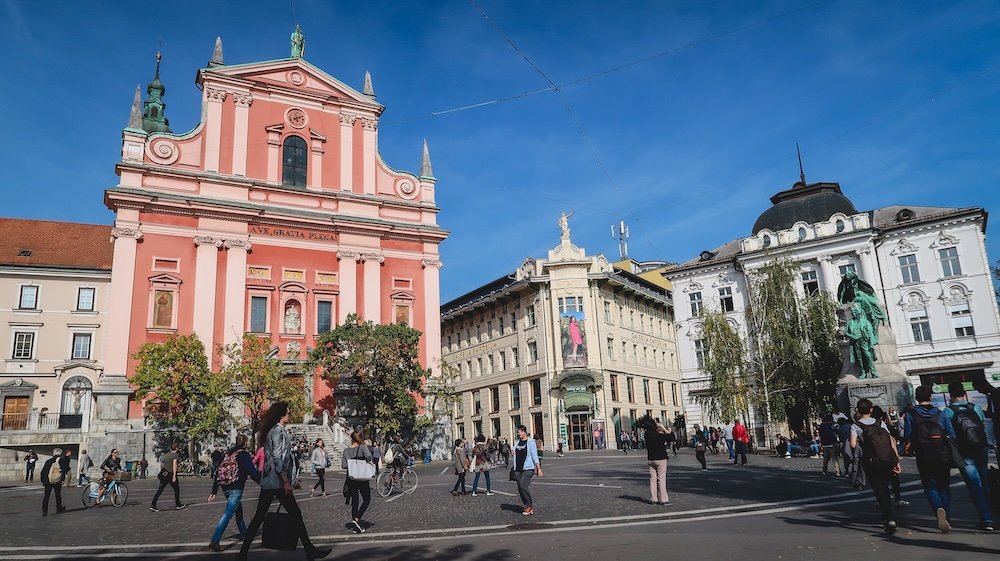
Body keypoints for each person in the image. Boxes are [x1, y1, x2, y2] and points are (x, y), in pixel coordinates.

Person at [239, 402, 330, 560]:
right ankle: (310, 551)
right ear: (281, 415)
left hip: (269, 482)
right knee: (295, 514)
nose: (290, 415)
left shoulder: (273, 431)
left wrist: (292, 480)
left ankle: (242, 554)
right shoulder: (278, 432)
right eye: (288, 413)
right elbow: (277, 458)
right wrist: (286, 481)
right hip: (277, 482)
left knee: (259, 517)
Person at [904, 385, 959, 533]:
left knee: (929, 486)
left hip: (923, 455)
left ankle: (938, 508)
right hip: (942, 454)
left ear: (916, 398)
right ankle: (947, 516)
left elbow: (908, 436)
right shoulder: (940, 413)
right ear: (931, 397)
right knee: (944, 487)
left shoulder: (911, 415)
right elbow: (952, 435)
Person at [942, 381, 994, 531]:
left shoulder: (948, 411)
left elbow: (949, 433)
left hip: (964, 451)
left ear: (951, 395)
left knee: (974, 484)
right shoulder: (975, 407)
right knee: (984, 482)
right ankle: (990, 512)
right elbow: (982, 423)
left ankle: (986, 518)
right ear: (964, 393)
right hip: (980, 448)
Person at [850, 398, 901, 534]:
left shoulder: (856, 426)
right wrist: (896, 461)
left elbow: (853, 445)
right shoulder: (880, 423)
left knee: (879, 490)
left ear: (858, 411)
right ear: (871, 409)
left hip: (871, 461)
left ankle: (888, 518)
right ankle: (890, 517)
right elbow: (891, 442)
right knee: (886, 488)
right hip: (886, 460)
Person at [207, 434, 260, 552]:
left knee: (238, 510)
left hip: (225, 487)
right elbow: (252, 471)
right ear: (245, 443)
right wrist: (262, 482)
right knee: (228, 513)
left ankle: (244, 534)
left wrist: (214, 491)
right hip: (236, 487)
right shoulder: (244, 455)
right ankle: (215, 541)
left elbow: (217, 473)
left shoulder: (226, 454)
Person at [342, 431, 373, 534]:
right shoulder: (363, 447)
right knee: (367, 499)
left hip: (351, 478)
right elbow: (369, 457)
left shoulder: (346, 451)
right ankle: (357, 518)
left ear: (351, 439)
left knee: (354, 502)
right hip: (362, 477)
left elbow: (343, 465)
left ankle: (356, 527)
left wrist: (352, 464)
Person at [512, 424, 542, 515]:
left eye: (520, 432)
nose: (518, 433)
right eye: (518, 432)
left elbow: (534, 456)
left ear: (524, 432)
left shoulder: (531, 442)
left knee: (523, 485)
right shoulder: (517, 442)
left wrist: (538, 468)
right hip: (517, 469)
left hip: (528, 468)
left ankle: (529, 505)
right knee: (520, 488)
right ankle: (527, 505)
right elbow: (515, 452)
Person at [150, 443, 186, 511]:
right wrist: (174, 475)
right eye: (178, 448)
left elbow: (162, 464)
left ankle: (153, 504)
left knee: (160, 490)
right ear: (176, 448)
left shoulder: (167, 454)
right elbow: (174, 465)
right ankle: (177, 504)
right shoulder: (176, 455)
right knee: (176, 489)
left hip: (165, 474)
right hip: (171, 474)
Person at [645, 419, 670, 505]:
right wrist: (664, 428)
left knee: (652, 479)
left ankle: (653, 498)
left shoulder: (647, 435)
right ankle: (663, 499)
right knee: (661, 479)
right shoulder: (658, 435)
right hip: (661, 459)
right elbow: (670, 437)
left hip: (651, 459)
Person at [41, 449, 66, 516]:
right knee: (57, 495)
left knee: (46, 496)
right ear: (60, 454)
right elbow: (63, 471)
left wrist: (43, 480)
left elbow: (43, 471)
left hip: (48, 481)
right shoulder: (61, 461)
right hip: (57, 481)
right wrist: (63, 479)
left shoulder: (48, 461)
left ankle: (44, 511)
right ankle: (59, 507)